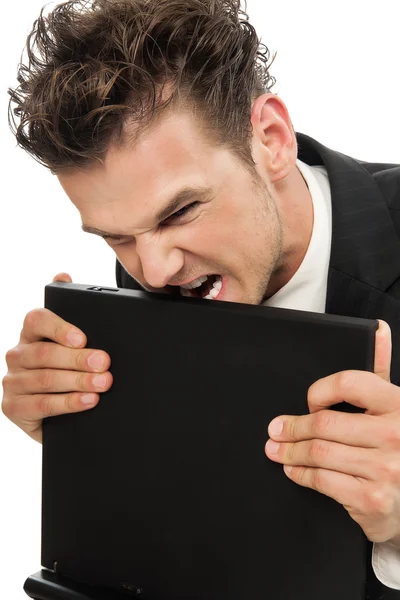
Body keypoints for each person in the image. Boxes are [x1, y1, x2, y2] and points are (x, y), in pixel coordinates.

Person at [2, 0, 400, 597]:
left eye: (181, 211)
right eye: (117, 235)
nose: (154, 272)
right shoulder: (146, 280)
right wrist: (85, 446)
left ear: (270, 140)